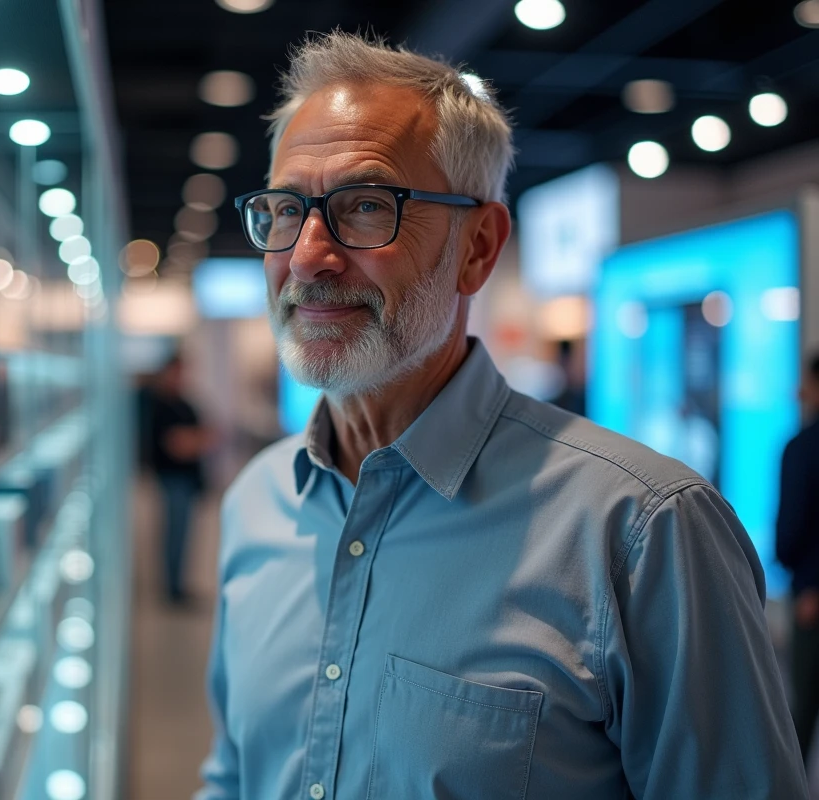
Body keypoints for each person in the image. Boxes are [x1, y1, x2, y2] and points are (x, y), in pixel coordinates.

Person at [197, 31, 804, 800]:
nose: (308, 255)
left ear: (478, 246)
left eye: (366, 207)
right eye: (286, 210)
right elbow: (233, 776)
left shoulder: (639, 531)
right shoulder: (258, 502)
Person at [777, 353, 819, 765]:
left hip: (811, 597)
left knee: (801, 711)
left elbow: (791, 528)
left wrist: (808, 583)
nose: (799, 391)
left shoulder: (803, 447)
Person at [143, 353, 209, 604]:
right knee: (174, 534)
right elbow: (177, 445)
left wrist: (193, 440)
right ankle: (172, 589)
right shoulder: (159, 406)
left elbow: (205, 436)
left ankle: (177, 585)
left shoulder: (184, 403)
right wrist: (194, 440)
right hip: (172, 478)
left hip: (187, 479)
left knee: (183, 535)